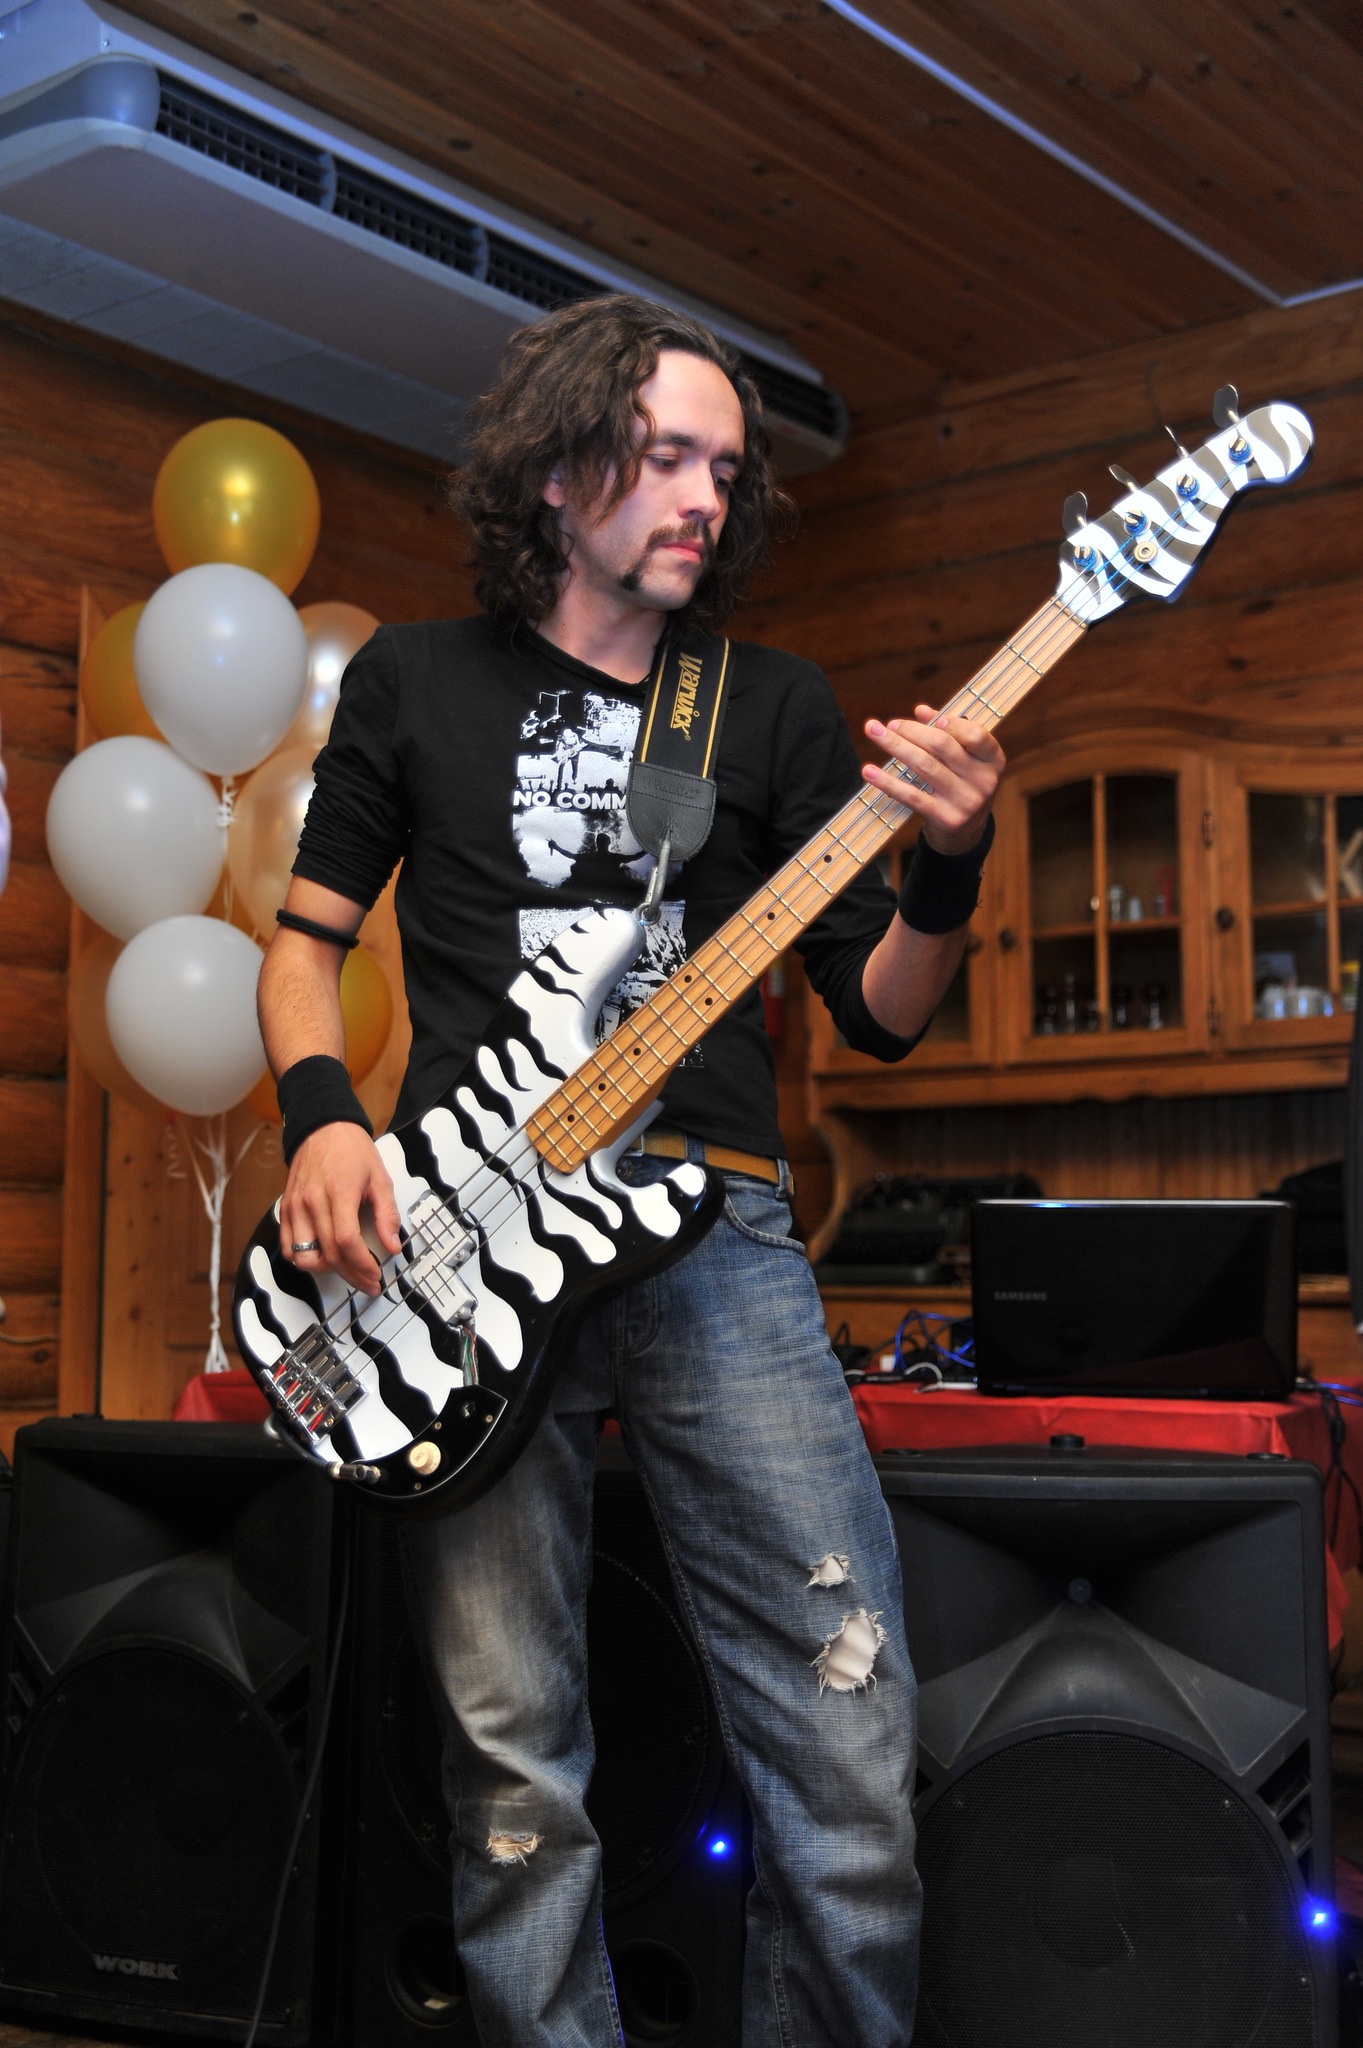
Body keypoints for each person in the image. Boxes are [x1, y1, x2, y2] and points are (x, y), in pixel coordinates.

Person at [259, 294, 1003, 2048]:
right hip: (457, 1244)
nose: (704, 499)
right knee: (510, 1760)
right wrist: (324, 1116)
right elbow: (304, 947)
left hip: (712, 1224)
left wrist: (955, 863)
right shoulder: (413, 683)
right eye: (668, 456)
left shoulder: (771, 706)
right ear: (558, 464)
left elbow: (884, 1013)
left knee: (844, 1732)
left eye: (727, 472)